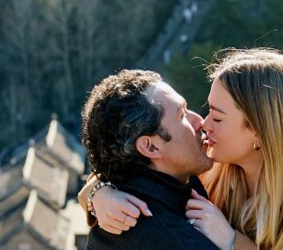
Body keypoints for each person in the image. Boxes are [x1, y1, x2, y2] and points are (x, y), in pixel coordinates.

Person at [81, 48, 283, 250]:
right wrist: (99, 192)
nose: (204, 123)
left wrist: (230, 241)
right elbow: (139, 164)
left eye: (218, 116)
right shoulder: (213, 167)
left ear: (259, 132)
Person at [79, 69, 221, 249]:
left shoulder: (132, 192)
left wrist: (96, 189)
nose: (200, 121)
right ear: (151, 147)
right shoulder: (173, 239)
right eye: (182, 115)